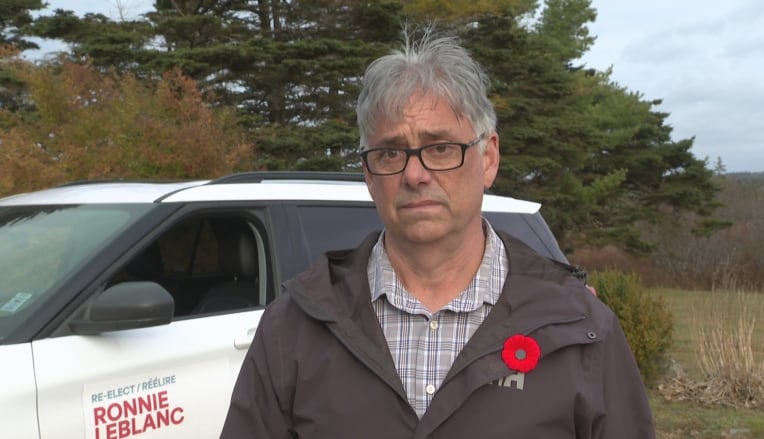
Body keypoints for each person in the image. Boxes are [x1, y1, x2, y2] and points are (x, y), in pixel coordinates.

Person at [220, 27, 655, 438]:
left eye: (440, 148)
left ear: (488, 158)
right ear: (369, 174)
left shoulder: (580, 328)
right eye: (390, 152)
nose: (415, 173)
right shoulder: (293, 328)